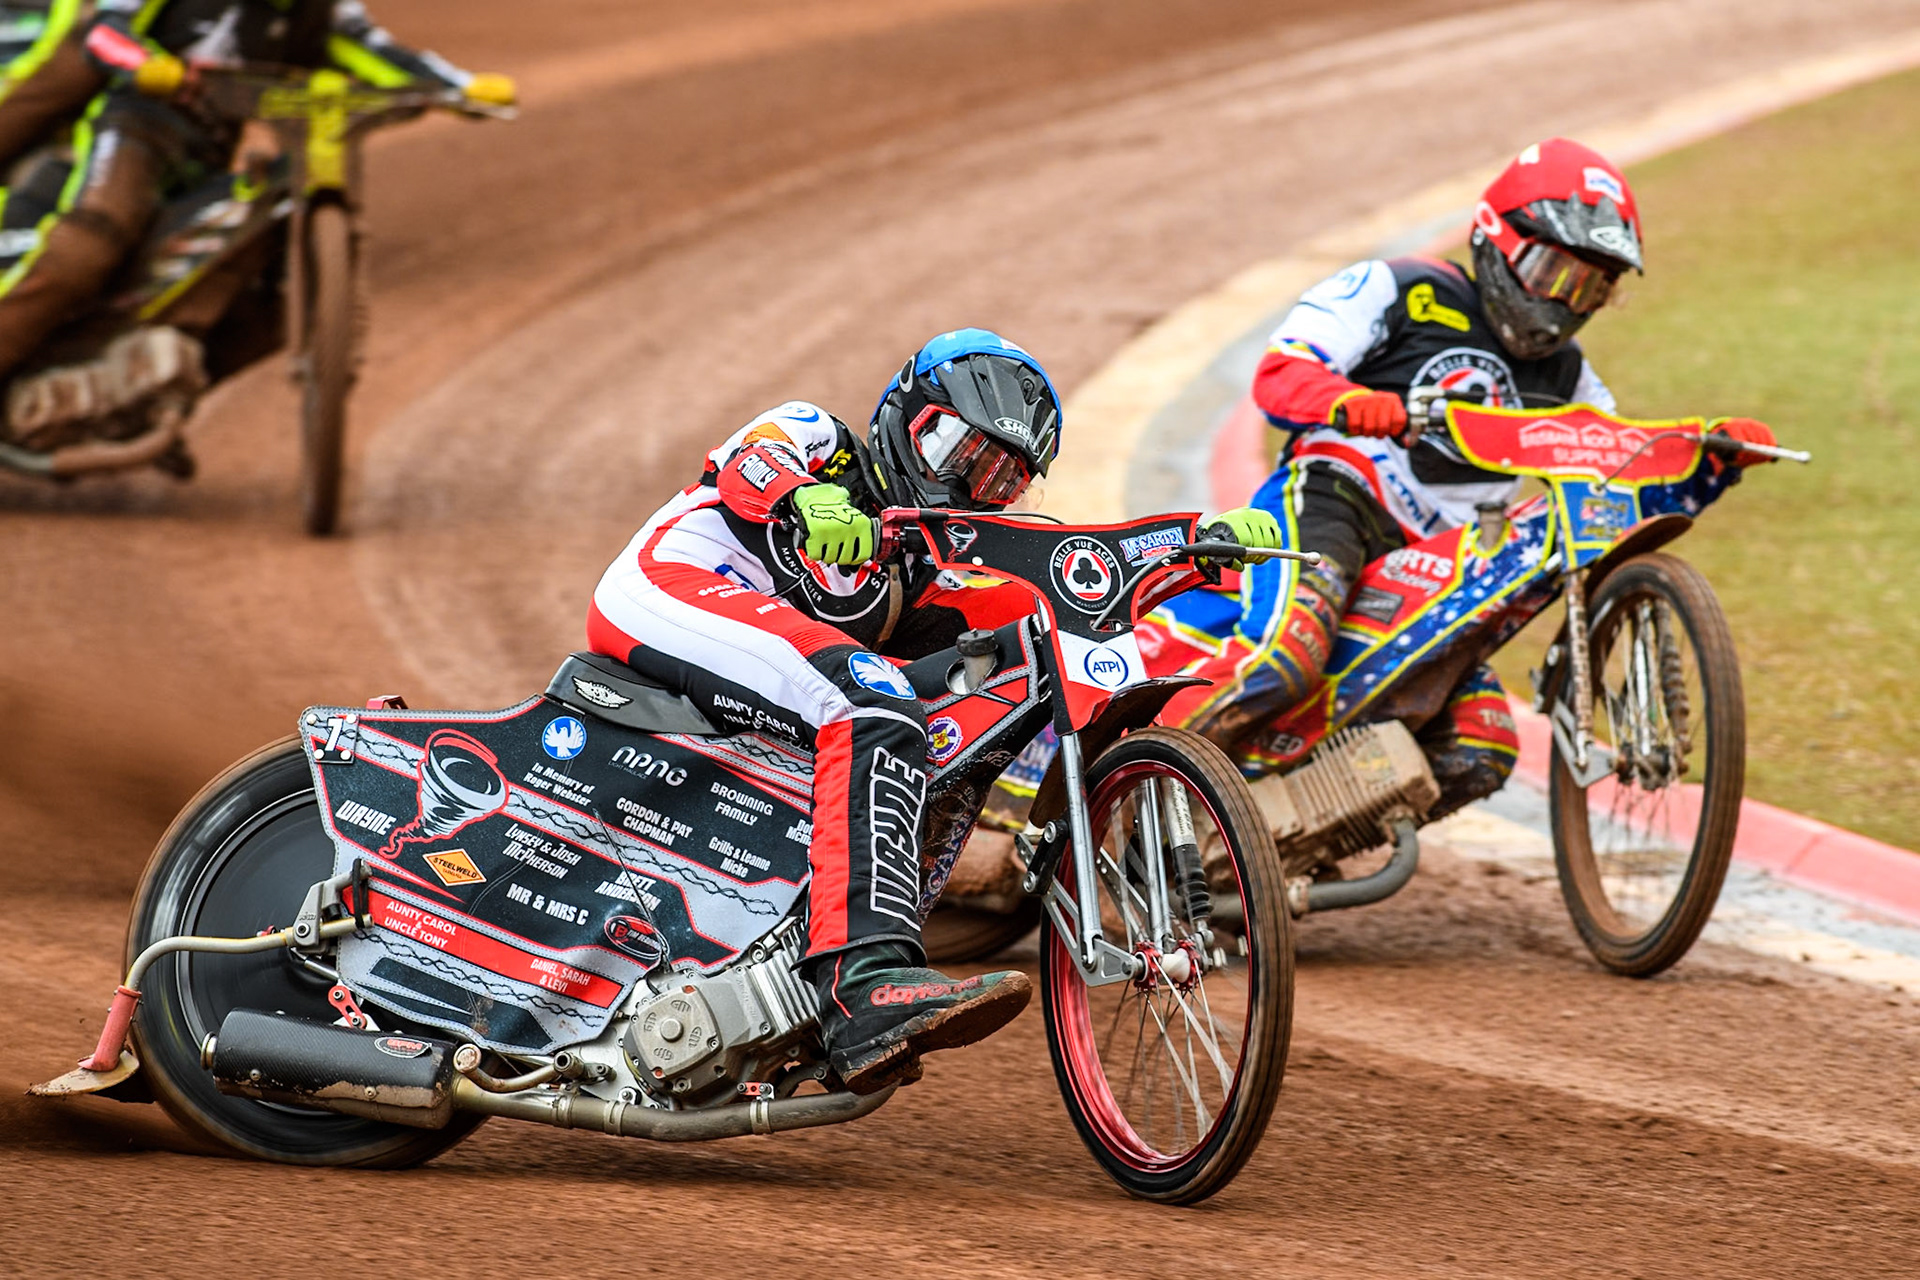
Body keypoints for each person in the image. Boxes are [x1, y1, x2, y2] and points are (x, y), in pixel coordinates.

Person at [588, 329, 1278, 1092]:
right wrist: (805, 496)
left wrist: (1192, 541)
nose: (969, 485)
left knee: (969, 686)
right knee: (875, 700)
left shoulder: (930, 559)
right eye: (958, 451)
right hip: (675, 583)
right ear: (906, 414)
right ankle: (863, 983)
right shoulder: (822, 439)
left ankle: (807, 952)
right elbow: (748, 461)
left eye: (998, 479)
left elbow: (1071, 564)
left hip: (762, 649)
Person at [1152, 138, 1779, 816]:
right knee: (1286, 658)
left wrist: (1704, 458)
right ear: (1497, 239)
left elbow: (1614, 472)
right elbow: (1280, 374)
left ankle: (1284, 837)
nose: (1565, 304)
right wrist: (1353, 404)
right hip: (1336, 500)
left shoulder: (1571, 379)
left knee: (1482, 749)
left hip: (1442, 568)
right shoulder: (1400, 288)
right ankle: (1123, 796)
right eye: (1553, 272)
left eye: (1591, 287)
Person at [0, 0, 511, 408]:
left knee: (246, 256)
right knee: (89, 244)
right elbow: (104, 32)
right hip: (134, 127)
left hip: (210, 153)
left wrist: (460, 88)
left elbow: (376, 53)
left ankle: (116, 382)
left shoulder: (318, 11)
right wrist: (146, 65)